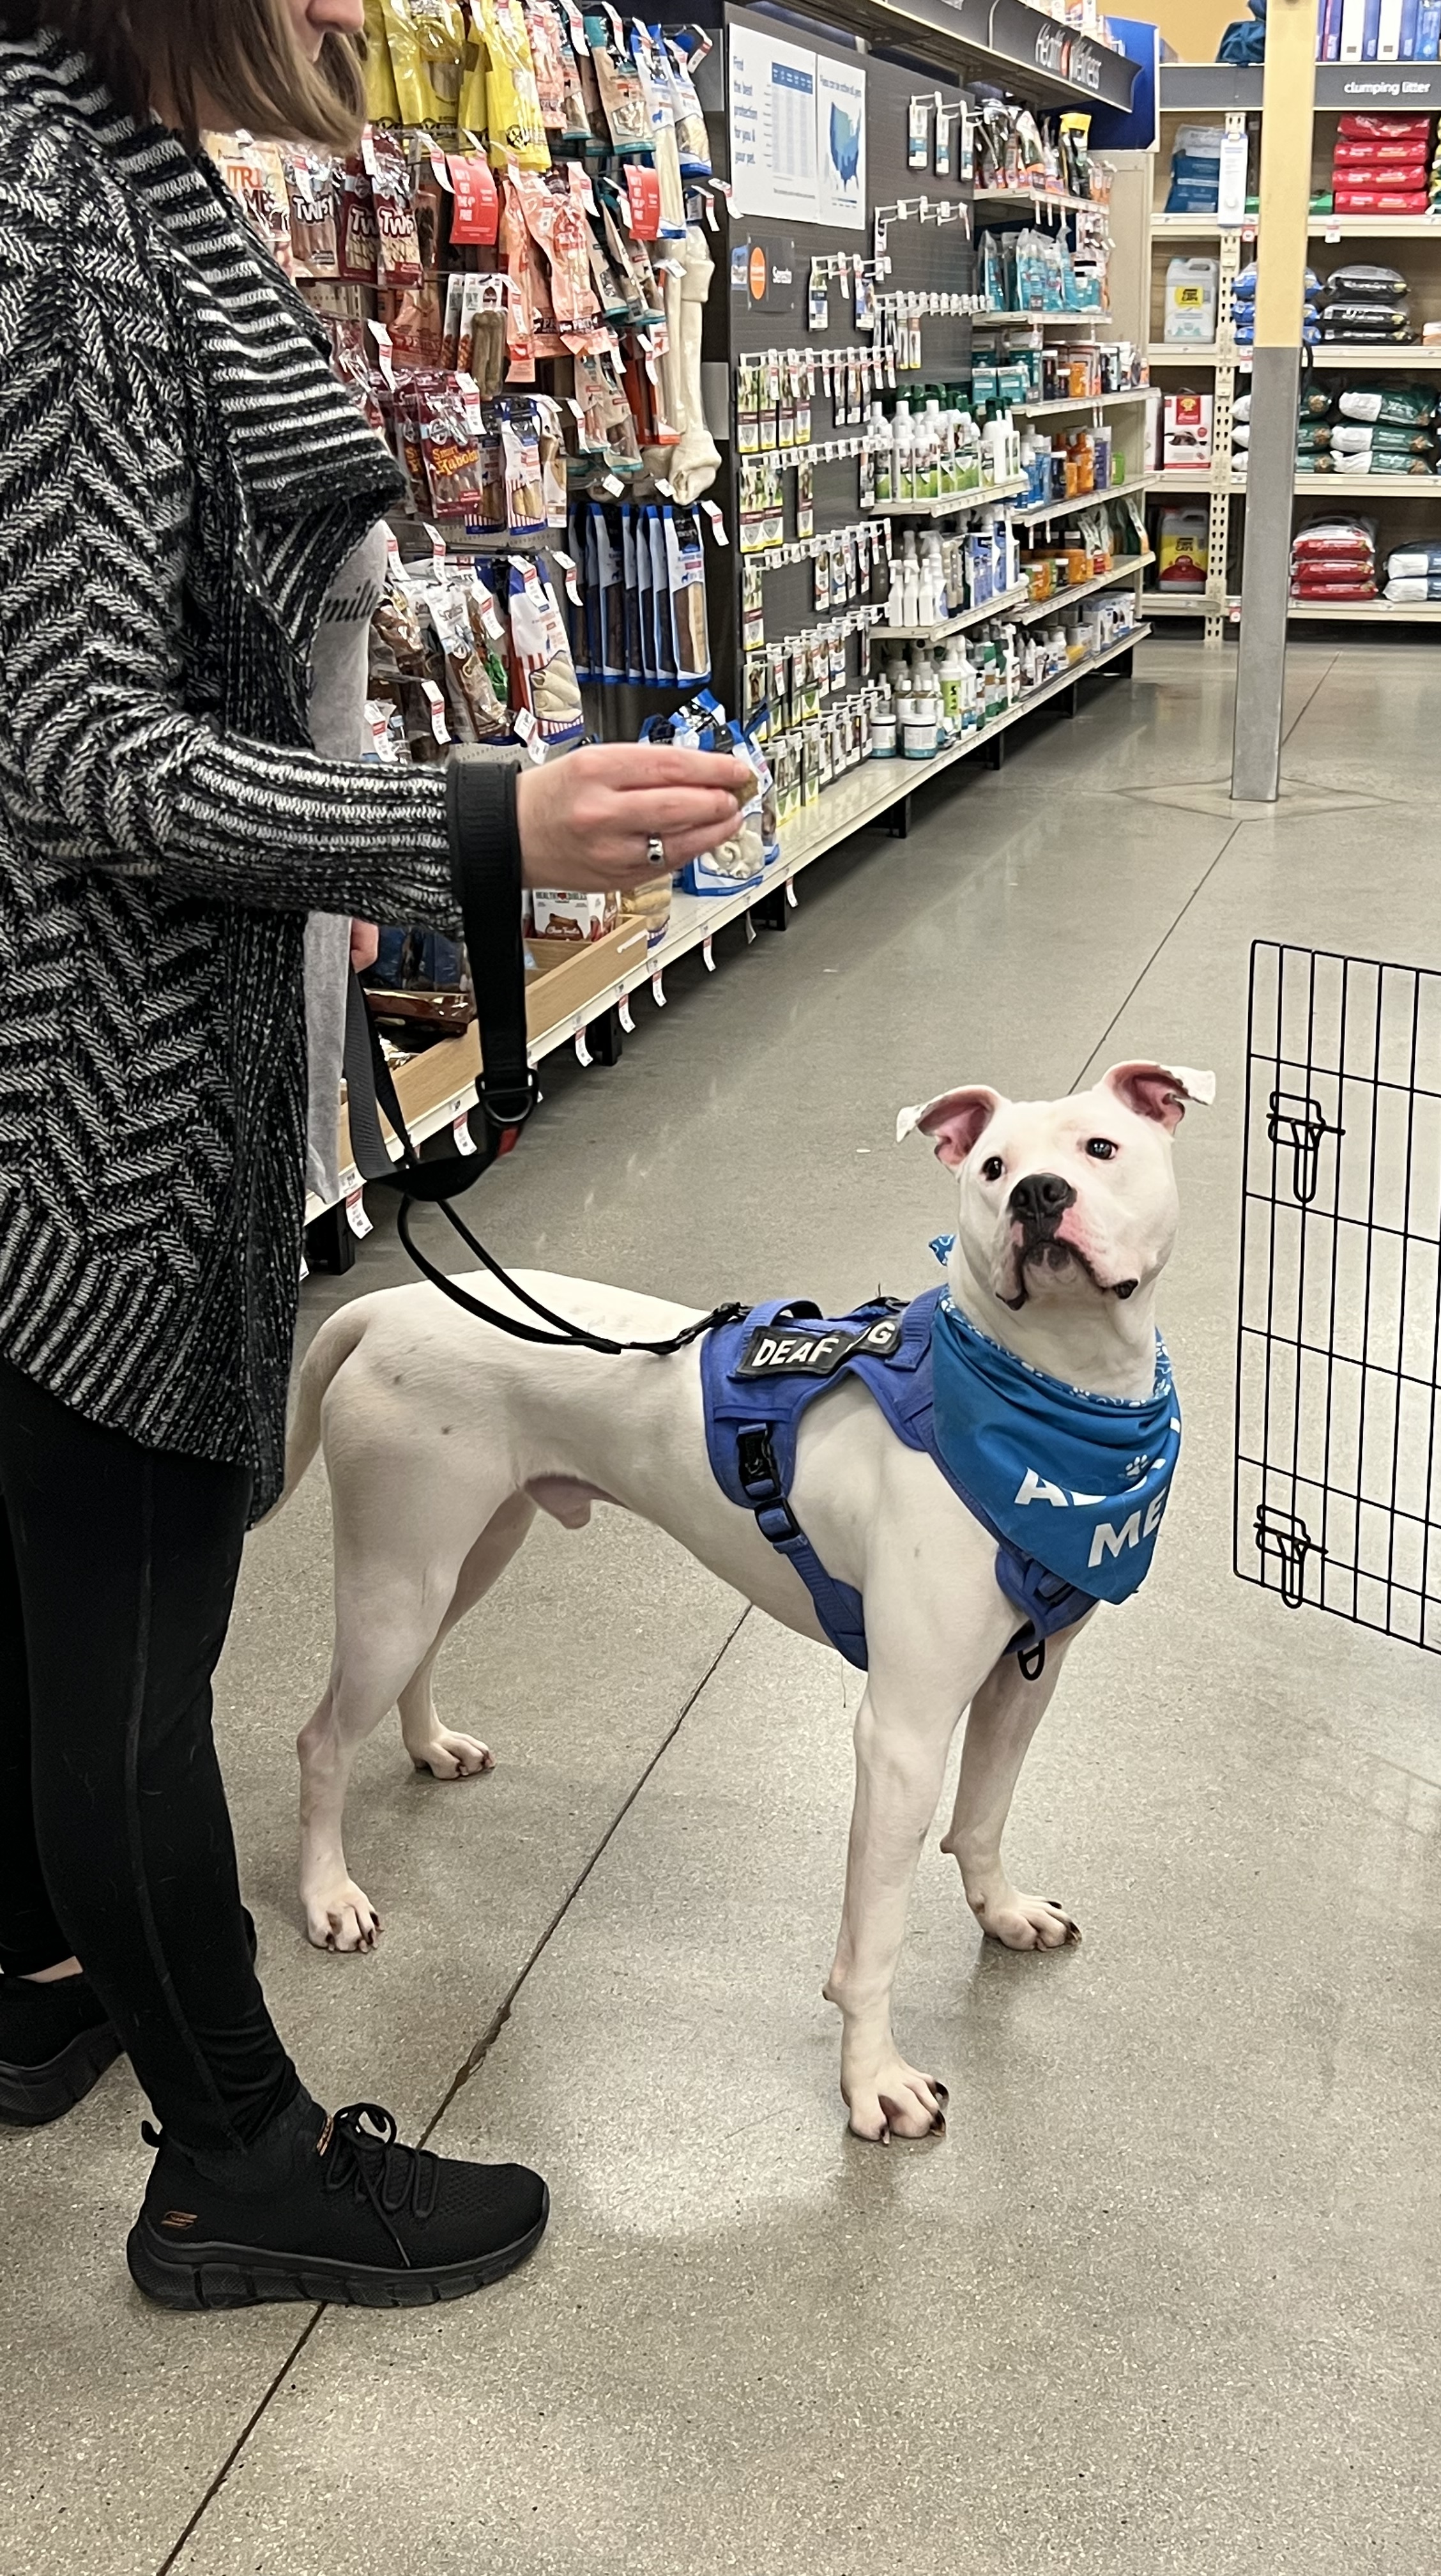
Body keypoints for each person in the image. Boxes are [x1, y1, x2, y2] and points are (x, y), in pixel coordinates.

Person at [0, 0, 751, 2310]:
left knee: (48, 1601)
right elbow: (77, 745)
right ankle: (231, 2155)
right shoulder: (50, 214)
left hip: (120, 1048)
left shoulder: (103, 162)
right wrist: (462, 822)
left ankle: (43, 1984)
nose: (351, 14)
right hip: (83, 1094)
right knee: (133, 1648)